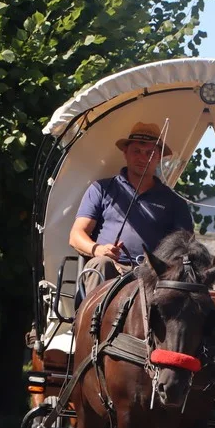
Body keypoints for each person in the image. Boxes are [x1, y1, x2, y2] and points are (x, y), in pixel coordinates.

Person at [69, 121, 193, 297]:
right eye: (137, 151)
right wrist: (98, 249)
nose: (143, 158)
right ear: (125, 153)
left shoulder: (175, 202)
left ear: (158, 158)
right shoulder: (102, 189)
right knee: (101, 264)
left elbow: (185, 246)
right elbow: (76, 235)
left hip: (153, 275)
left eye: (150, 153)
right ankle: (93, 324)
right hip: (110, 268)